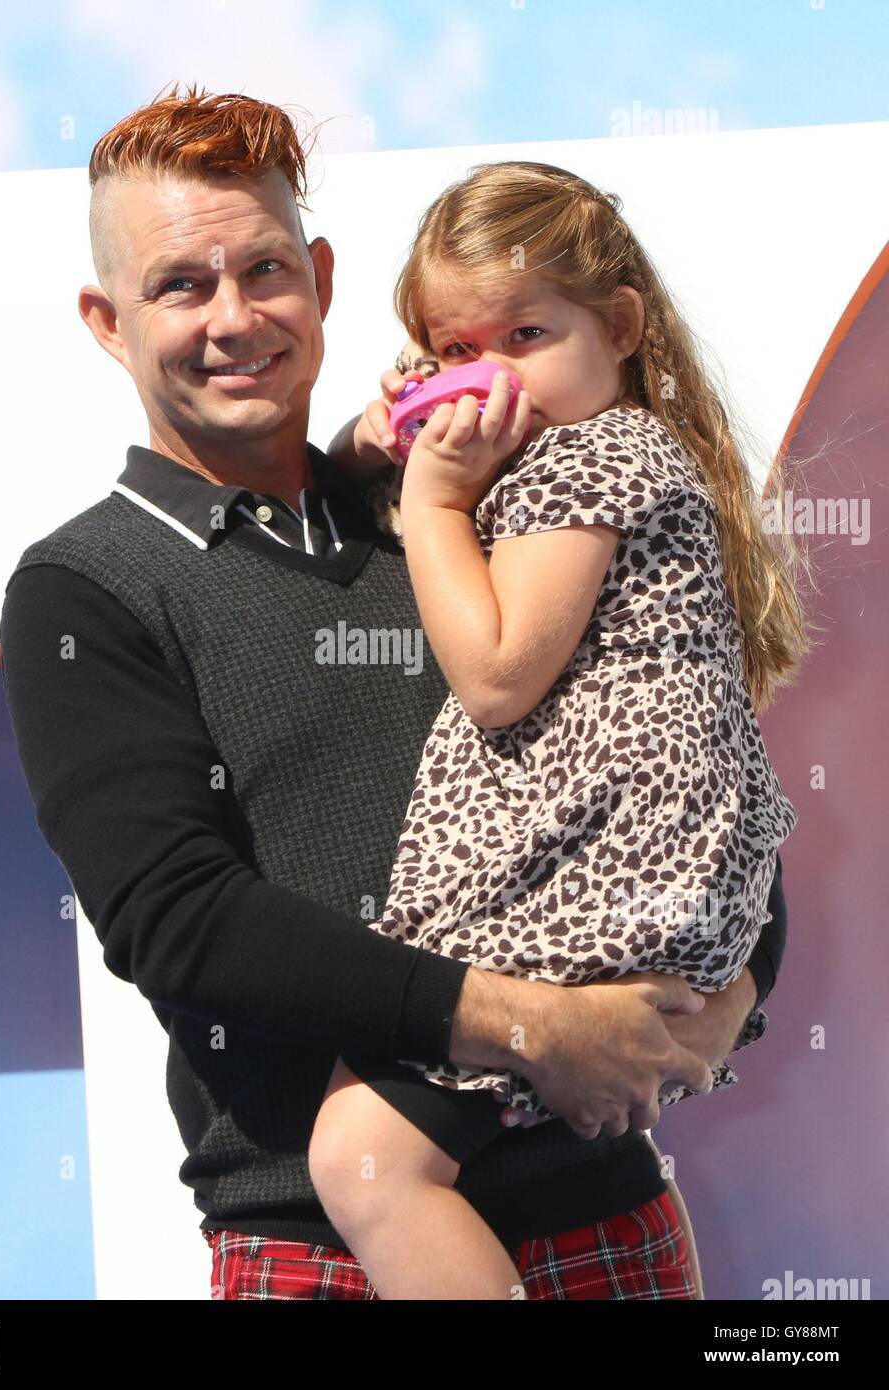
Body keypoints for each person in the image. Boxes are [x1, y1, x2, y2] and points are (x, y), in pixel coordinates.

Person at [0, 86, 791, 1301]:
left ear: (317, 279)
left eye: (264, 268)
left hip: (608, 1220)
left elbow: (686, 775)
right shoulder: (85, 589)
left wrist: (726, 995)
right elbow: (179, 922)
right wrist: (533, 1026)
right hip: (318, 1244)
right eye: (179, 286)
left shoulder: (471, 514)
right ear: (107, 321)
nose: (234, 316)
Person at [305, 161, 808, 1299]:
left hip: (600, 871)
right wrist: (380, 436)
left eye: (525, 334)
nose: (496, 382)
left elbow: (491, 675)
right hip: (657, 879)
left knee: (361, 1160)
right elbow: (360, 490)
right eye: (457, 353)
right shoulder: (598, 446)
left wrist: (433, 500)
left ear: (617, 325)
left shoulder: (589, 456)